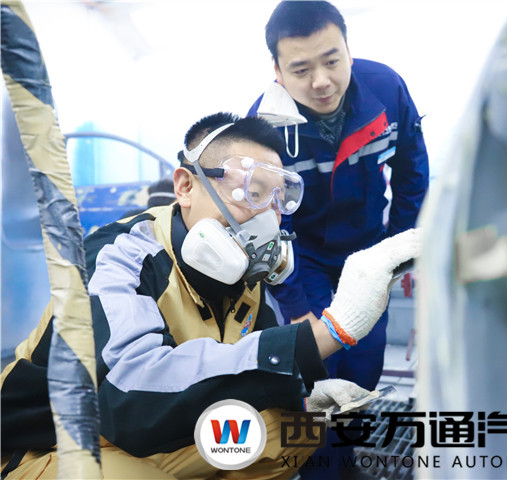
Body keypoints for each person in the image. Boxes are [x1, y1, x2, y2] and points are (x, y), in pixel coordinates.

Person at [0, 112, 420, 480]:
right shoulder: (117, 255)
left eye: (278, 200)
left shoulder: (245, 277)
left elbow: (243, 369)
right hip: (52, 444)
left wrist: (304, 399)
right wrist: (331, 330)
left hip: (146, 434)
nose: (267, 218)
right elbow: (130, 397)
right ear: (186, 186)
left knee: (293, 430)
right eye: (253, 192)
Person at [248, 3, 428, 477]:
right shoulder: (264, 128)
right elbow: (264, 225)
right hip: (301, 255)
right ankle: (316, 470)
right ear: (277, 71)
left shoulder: (386, 89)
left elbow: (412, 170)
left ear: (349, 50)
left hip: (369, 249)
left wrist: (398, 251)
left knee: (364, 362)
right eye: (301, 69)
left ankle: (344, 462)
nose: (321, 81)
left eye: (332, 60)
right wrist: (295, 305)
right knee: (315, 367)